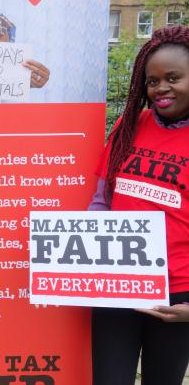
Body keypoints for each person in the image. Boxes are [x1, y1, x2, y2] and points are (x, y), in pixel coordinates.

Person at [89, 25, 189, 385]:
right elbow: (100, 202)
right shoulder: (130, 124)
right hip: (119, 286)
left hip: (177, 297)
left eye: (173, 78)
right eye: (152, 81)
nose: (161, 88)